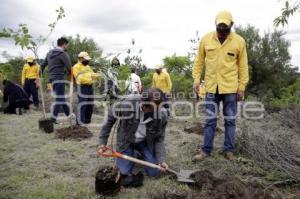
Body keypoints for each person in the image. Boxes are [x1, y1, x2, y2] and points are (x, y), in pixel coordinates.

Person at [192, 11, 249, 161]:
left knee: (230, 120)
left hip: (230, 88)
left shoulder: (239, 41)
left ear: (231, 25)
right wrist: (196, 79)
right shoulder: (206, 39)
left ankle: (229, 150)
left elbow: (243, 66)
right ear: (215, 25)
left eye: (226, 28)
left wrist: (241, 87)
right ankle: (206, 151)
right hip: (211, 87)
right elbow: (199, 62)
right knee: (210, 120)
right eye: (219, 28)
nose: (222, 31)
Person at [98, 88, 169, 187]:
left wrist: (161, 159)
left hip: (144, 142)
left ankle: (138, 152)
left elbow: (159, 138)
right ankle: (132, 153)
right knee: (124, 172)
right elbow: (109, 118)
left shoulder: (163, 114)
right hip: (126, 141)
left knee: (154, 172)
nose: (157, 112)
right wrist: (102, 142)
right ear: (143, 104)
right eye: (153, 109)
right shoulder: (127, 103)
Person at [41, 37, 72, 123]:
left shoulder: (49, 53)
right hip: (59, 79)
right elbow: (69, 68)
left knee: (61, 98)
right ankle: (53, 119)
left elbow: (42, 65)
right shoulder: (62, 53)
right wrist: (73, 77)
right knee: (59, 99)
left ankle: (69, 115)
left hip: (51, 80)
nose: (67, 47)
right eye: (67, 45)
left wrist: (39, 75)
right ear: (64, 44)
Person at [72, 52, 100, 124]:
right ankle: (80, 122)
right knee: (82, 104)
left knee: (90, 104)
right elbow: (79, 78)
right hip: (82, 88)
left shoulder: (88, 67)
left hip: (90, 87)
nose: (88, 60)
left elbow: (93, 75)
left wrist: (98, 74)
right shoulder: (75, 67)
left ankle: (87, 121)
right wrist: (91, 78)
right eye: (86, 59)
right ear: (81, 58)